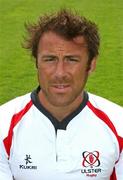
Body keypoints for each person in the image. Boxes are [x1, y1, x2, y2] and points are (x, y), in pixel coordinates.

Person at [0, 9, 123, 180]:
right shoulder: (3, 125)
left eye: (72, 60)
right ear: (37, 62)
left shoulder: (119, 125)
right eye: (50, 59)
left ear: (91, 64)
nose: (60, 73)